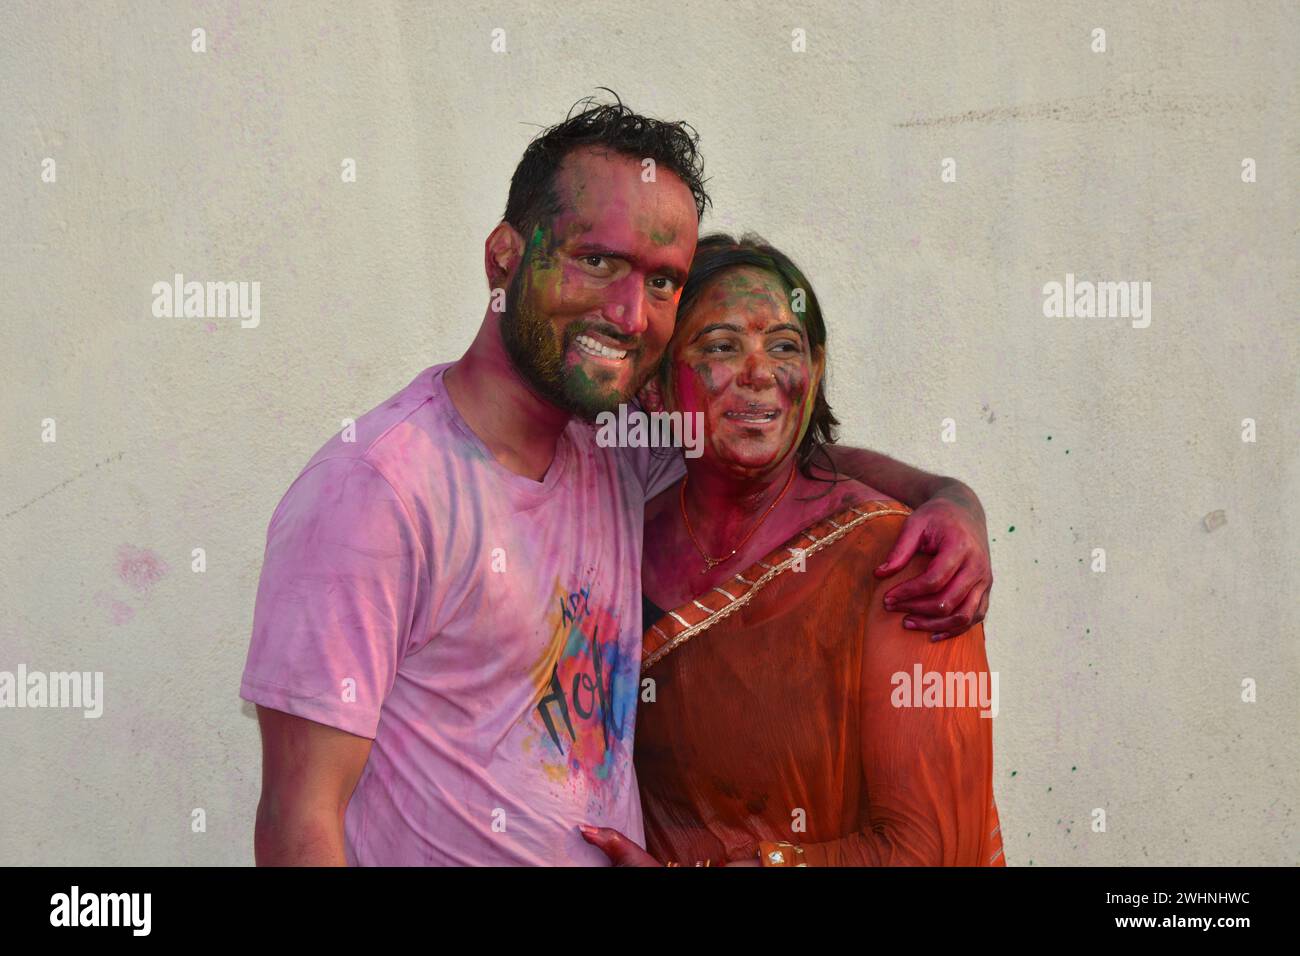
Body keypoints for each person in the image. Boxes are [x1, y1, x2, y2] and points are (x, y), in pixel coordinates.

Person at [241, 95, 994, 866]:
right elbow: (300, 822)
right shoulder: (376, 490)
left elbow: (777, 444)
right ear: (505, 254)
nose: (631, 313)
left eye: (663, 282)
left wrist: (947, 497)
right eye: (597, 261)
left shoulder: (613, 450)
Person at [581, 235, 1004, 866]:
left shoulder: (901, 558)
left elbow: (929, 852)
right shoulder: (614, 535)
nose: (759, 373)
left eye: (784, 346)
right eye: (720, 347)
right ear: (657, 388)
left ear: (814, 372)